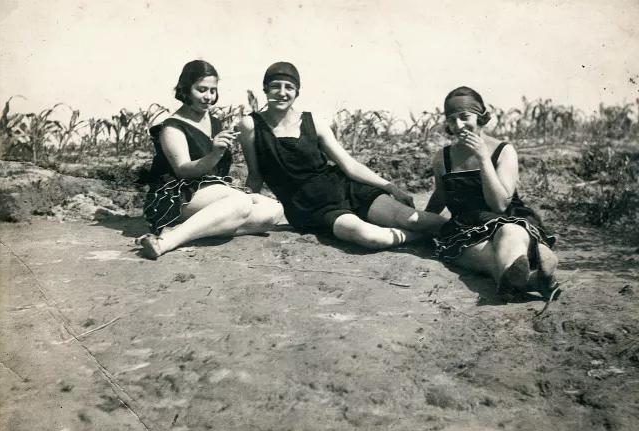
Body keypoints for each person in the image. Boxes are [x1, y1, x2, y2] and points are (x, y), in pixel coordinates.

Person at [237, 61, 447, 250]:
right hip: (312, 209)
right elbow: (255, 174)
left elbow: (349, 165)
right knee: (371, 237)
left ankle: (469, 239)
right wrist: (242, 212)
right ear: (265, 89)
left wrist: (390, 187)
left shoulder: (312, 122)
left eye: (289, 87)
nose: (282, 93)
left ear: (297, 92)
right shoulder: (251, 125)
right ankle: (418, 239)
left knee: (417, 220)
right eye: (275, 86)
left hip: (347, 188)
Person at [137, 60, 283, 259]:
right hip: (176, 196)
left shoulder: (214, 122)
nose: (208, 97)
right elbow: (182, 170)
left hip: (209, 193)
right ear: (186, 90)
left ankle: (192, 229)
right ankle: (169, 240)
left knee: (273, 211)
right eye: (202, 90)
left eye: (213, 91)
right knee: (240, 203)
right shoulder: (172, 127)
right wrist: (215, 154)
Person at [425, 86, 559, 300]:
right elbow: (440, 196)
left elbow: (499, 205)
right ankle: (534, 278)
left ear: (479, 116)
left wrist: (483, 159)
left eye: (464, 116)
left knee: (509, 233)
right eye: (451, 119)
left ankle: (520, 269)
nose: (458, 125)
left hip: (507, 222)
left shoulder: (503, 151)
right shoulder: (443, 158)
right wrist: (422, 226)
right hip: (466, 230)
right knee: (488, 258)